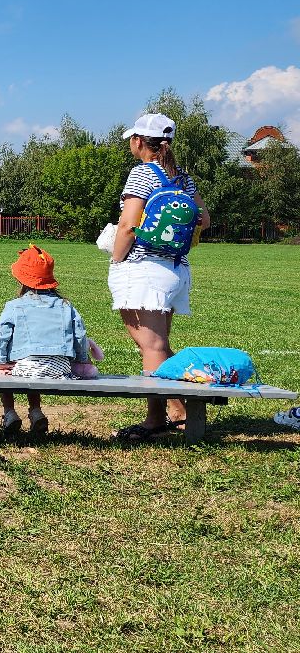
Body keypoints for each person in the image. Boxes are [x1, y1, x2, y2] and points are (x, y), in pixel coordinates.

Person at [108, 112, 210, 441]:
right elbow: (204, 220)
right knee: (158, 345)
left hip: (144, 269)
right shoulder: (183, 179)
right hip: (175, 268)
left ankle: (164, 418)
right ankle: (173, 412)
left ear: (139, 141)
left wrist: (117, 257)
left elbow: (127, 225)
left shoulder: (141, 175)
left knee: (151, 345)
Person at [0, 245, 90, 437]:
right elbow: (80, 334)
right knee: (35, 370)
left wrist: (0, 361)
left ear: (21, 278)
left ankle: (9, 413)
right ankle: (35, 411)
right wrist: (81, 359)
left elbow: (1, 334)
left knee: (9, 373)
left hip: (27, 366)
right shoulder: (65, 305)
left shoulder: (15, 306)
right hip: (60, 368)